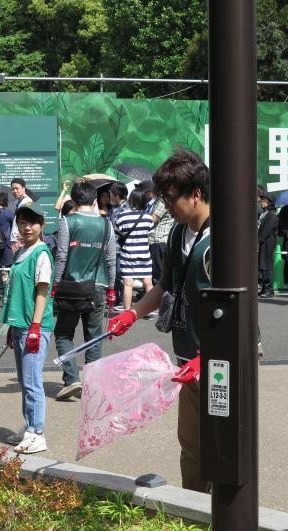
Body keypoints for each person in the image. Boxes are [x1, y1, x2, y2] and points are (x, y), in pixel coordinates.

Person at [108, 149, 211, 492]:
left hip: (223, 362)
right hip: (188, 358)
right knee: (192, 445)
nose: (165, 206)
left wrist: (208, 358)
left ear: (196, 194)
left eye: (170, 198)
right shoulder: (178, 233)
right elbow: (165, 284)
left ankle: (225, 515)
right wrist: (132, 312)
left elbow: (239, 311)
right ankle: (196, 509)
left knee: (223, 443)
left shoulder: (224, 239)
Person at [52, 180, 116, 401]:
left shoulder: (67, 222)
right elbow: (111, 259)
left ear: (73, 199)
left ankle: (72, 379)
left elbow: (61, 256)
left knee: (63, 333)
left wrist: (56, 284)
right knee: (94, 336)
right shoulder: (106, 225)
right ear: (95, 199)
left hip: (71, 286)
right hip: (98, 286)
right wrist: (111, 287)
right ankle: (92, 384)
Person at [1, 203, 55, 454]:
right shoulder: (21, 252)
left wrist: (35, 326)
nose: (27, 227)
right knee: (25, 381)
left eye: (32, 222)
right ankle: (29, 427)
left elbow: (42, 292)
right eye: (22, 223)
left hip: (35, 327)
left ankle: (37, 432)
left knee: (33, 382)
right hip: (20, 324)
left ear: (42, 225)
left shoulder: (41, 253)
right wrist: (12, 327)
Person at [114, 189, 155, 311]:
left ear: (130, 200)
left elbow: (117, 233)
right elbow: (150, 233)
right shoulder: (148, 218)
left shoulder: (122, 216)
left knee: (128, 284)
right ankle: (148, 310)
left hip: (128, 254)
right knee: (148, 283)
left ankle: (127, 311)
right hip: (144, 254)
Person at [147, 183, 175, 285]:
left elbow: (154, 219)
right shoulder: (161, 199)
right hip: (160, 241)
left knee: (158, 276)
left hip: (158, 240)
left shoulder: (163, 200)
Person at [0, 192, 14, 300]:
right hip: (6, 241)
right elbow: (14, 225)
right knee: (9, 265)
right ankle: (9, 288)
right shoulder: (8, 213)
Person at [257, 189, 277, 298]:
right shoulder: (264, 213)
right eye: (262, 200)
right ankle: (264, 288)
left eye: (264, 200)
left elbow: (265, 231)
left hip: (268, 243)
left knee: (267, 265)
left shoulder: (272, 214)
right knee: (262, 265)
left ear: (270, 202)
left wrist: (258, 241)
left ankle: (269, 289)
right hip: (263, 243)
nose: (262, 202)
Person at [9, 178, 33, 253]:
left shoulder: (27, 202)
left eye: (17, 188)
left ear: (23, 188)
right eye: (13, 189)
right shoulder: (19, 202)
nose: (15, 191)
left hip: (21, 240)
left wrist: (23, 234)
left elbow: (30, 220)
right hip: (17, 240)